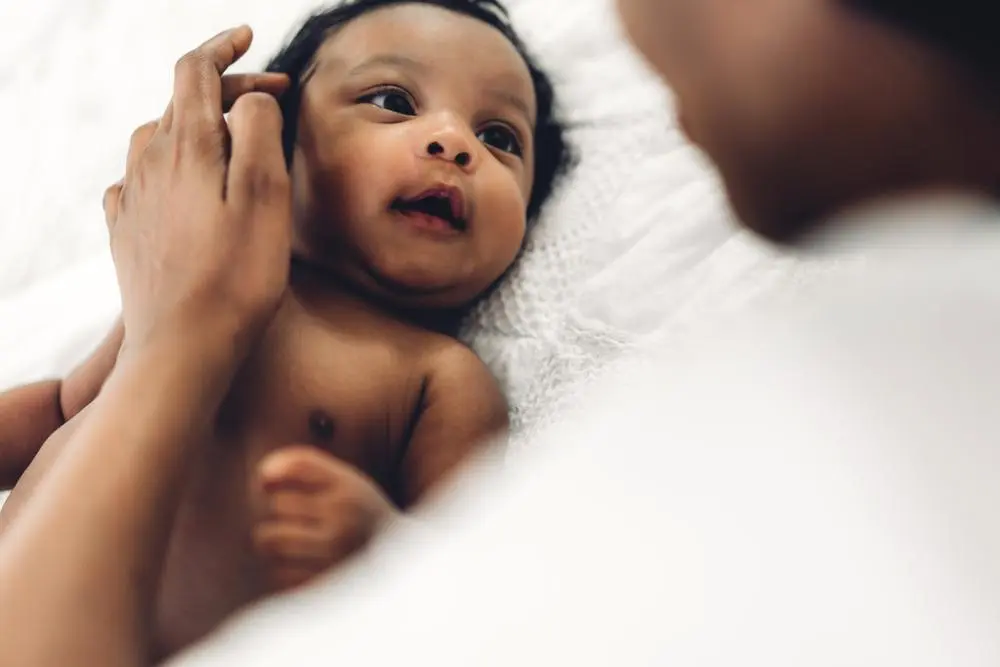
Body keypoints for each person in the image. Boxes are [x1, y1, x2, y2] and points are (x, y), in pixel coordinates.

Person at [0, 0, 569, 663]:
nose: (454, 143)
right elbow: (65, 406)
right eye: (393, 100)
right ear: (273, 141)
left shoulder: (438, 375)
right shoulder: (186, 274)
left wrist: (376, 537)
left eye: (501, 138)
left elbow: (462, 561)